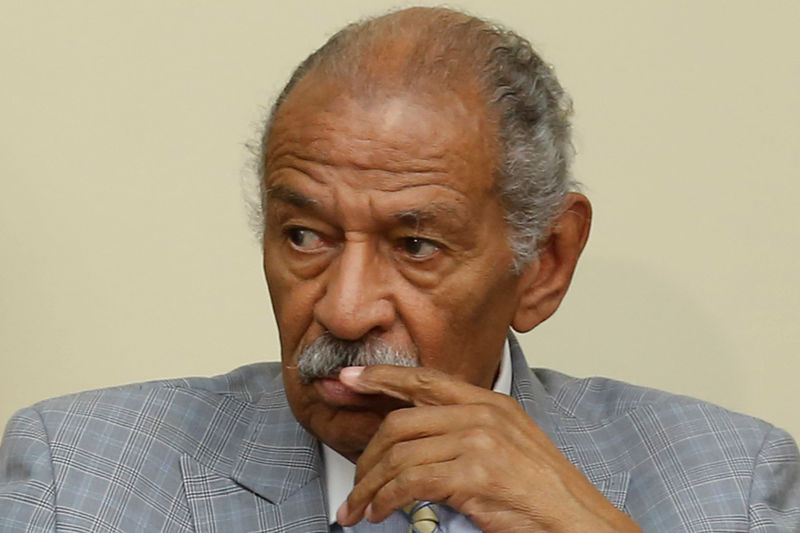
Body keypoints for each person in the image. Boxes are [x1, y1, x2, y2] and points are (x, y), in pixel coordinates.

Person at [1, 6, 797, 532]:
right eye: (306, 236)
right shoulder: (78, 476)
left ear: (544, 263)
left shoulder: (733, 485)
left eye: (415, 246)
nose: (345, 312)